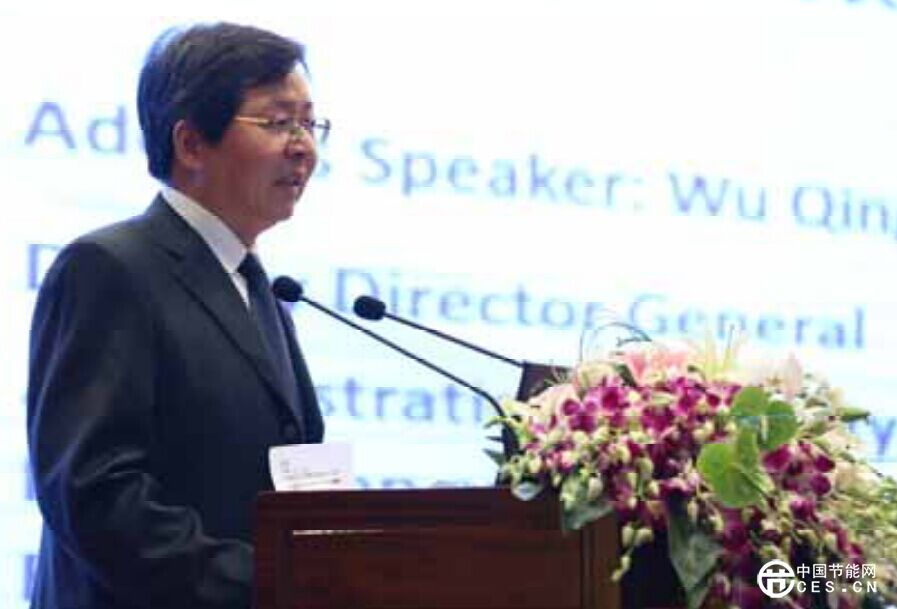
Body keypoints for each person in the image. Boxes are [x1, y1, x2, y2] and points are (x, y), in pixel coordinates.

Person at [26, 22, 326, 609]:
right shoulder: (109, 269)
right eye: (277, 122)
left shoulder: (259, 288)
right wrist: (263, 583)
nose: (303, 147)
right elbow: (95, 494)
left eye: (310, 124)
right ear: (190, 144)